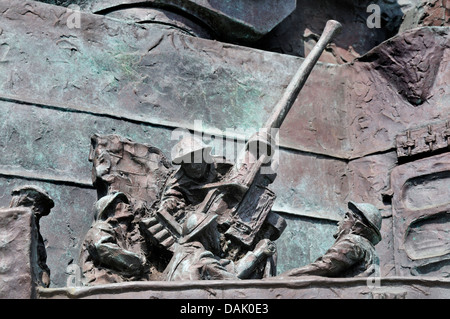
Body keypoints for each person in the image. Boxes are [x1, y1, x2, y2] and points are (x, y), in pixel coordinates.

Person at [277, 201, 382, 278]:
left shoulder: (353, 242)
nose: (339, 222)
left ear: (357, 225)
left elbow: (326, 265)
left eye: (346, 217)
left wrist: (284, 277)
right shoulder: (370, 249)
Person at [163, 211, 276, 281]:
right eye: (215, 230)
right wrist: (259, 252)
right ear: (207, 234)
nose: (219, 235)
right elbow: (233, 278)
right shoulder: (202, 259)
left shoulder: (180, 255)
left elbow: (227, 269)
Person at [79, 192, 148, 285]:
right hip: (100, 282)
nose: (127, 206)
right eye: (120, 203)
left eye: (126, 203)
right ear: (107, 210)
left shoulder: (126, 235)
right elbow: (102, 248)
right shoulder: (100, 227)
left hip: (119, 283)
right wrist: (138, 261)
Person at [9, 185, 54, 288]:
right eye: (37, 209)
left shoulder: (35, 231)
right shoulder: (14, 231)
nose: (38, 213)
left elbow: (39, 259)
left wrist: (43, 271)